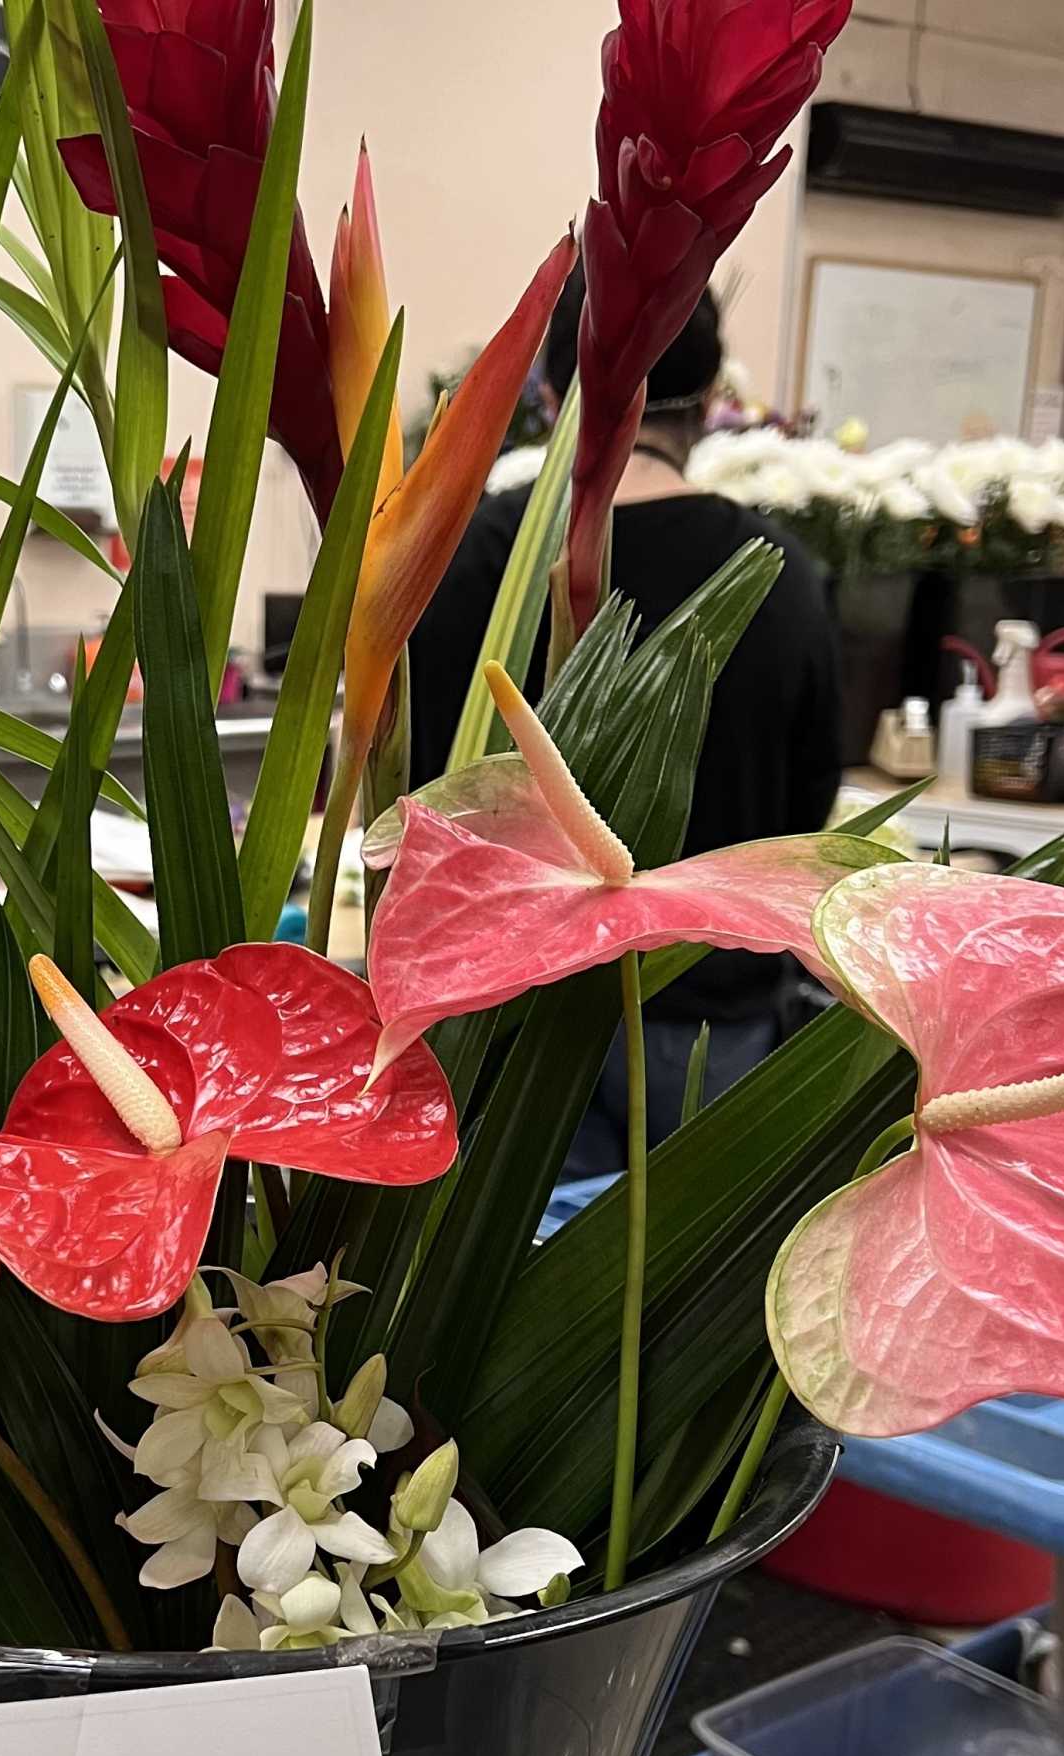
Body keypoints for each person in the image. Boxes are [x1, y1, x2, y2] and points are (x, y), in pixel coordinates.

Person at [405, 277, 844, 1179]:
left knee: (513, 1263)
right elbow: (809, 802)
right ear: (715, 395)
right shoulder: (778, 573)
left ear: (550, 392)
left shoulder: (479, 554)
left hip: (512, 1006)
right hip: (708, 1008)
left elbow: (418, 783)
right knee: (684, 1264)